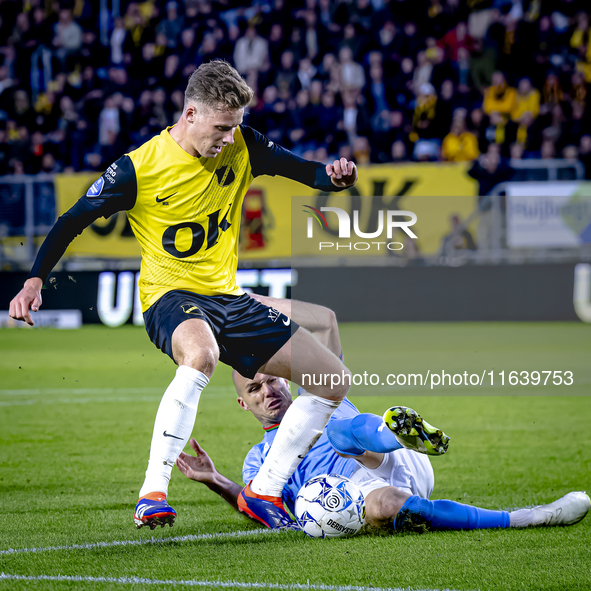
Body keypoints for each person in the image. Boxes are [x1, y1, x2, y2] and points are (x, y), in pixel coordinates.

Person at [8, 60, 358, 531]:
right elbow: (71, 221)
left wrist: (335, 176)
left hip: (229, 298)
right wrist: (34, 281)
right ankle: (153, 492)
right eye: (222, 127)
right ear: (190, 114)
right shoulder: (138, 168)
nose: (231, 138)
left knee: (334, 380)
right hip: (170, 295)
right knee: (201, 354)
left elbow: (310, 173)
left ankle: (266, 489)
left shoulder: (245, 146)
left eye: (236, 127)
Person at [177, 295, 590, 532]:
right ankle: (530, 518)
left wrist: (246, 301)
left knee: (335, 426)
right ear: (243, 403)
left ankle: (399, 433)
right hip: (357, 491)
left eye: (273, 380)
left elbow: (325, 321)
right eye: (255, 388)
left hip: (382, 451)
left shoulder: (315, 387)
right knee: (388, 506)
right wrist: (215, 480)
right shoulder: (257, 460)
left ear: (287, 377)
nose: (268, 391)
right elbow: (263, 511)